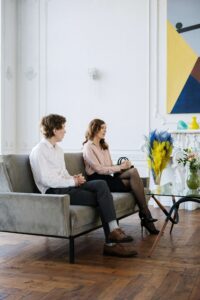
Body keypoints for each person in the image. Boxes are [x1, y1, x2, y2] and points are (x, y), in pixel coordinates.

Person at [29, 114, 138, 258]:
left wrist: (73, 178)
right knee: (102, 198)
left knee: (101, 184)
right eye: (63, 128)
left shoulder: (58, 150)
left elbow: (62, 173)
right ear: (55, 130)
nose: (65, 131)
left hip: (66, 186)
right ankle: (111, 242)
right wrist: (72, 182)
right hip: (54, 192)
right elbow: (46, 180)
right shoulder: (39, 151)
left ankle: (113, 233)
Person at [82, 118, 159, 235]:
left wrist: (122, 166)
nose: (105, 131)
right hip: (98, 180)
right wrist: (119, 167)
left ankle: (145, 214)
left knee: (133, 171)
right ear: (94, 129)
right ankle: (145, 215)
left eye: (105, 128)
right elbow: (99, 169)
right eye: (102, 128)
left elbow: (108, 166)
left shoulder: (104, 146)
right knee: (134, 179)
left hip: (107, 177)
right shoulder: (88, 147)